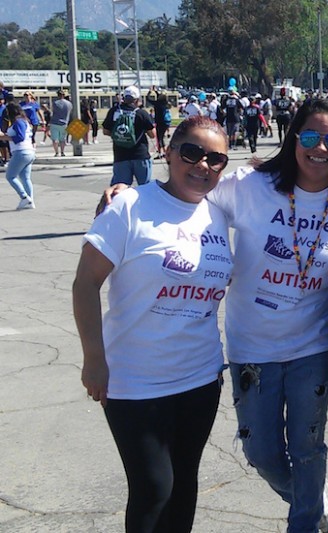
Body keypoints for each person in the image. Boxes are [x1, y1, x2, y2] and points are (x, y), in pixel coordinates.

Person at [100, 98, 328, 533]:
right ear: (293, 140)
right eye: (309, 137)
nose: (320, 148)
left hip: (313, 347)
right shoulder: (252, 185)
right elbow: (189, 188)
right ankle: (317, 505)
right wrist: (132, 195)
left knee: (308, 448)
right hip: (251, 348)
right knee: (262, 454)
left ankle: (307, 524)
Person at [74, 116, 232, 533]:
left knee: (184, 483)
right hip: (134, 380)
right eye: (192, 153)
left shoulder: (218, 213)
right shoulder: (129, 206)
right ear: (168, 151)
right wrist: (94, 359)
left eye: (216, 159)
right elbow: (85, 283)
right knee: (153, 487)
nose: (203, 166)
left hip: (200, 377)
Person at [102, 85, 156, 187]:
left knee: (119, 189)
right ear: (136, 100)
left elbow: (105, 131)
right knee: (145, 188)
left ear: (124, 98)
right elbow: (153, 135)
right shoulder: (141, 113)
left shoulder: (114, 111)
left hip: (120, 155)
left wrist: (120, 136)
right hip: (140, 155)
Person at [0, 102, 35, 209]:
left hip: (21, 151)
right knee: (25, 178)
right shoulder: (24, 121)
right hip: (29, 151)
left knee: (10, 176)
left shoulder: (18, 122)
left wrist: (4, 137)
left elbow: (19, 137)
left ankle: (24, 197)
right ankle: (30, 201)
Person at [50, 89, 72, 157]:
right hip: (64, 123)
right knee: (63, 139)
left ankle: (56, 152)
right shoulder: (69, 104)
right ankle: (62, 152)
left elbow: (52, 112)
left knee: (55, 139)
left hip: (55, 123)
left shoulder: (55, 103)